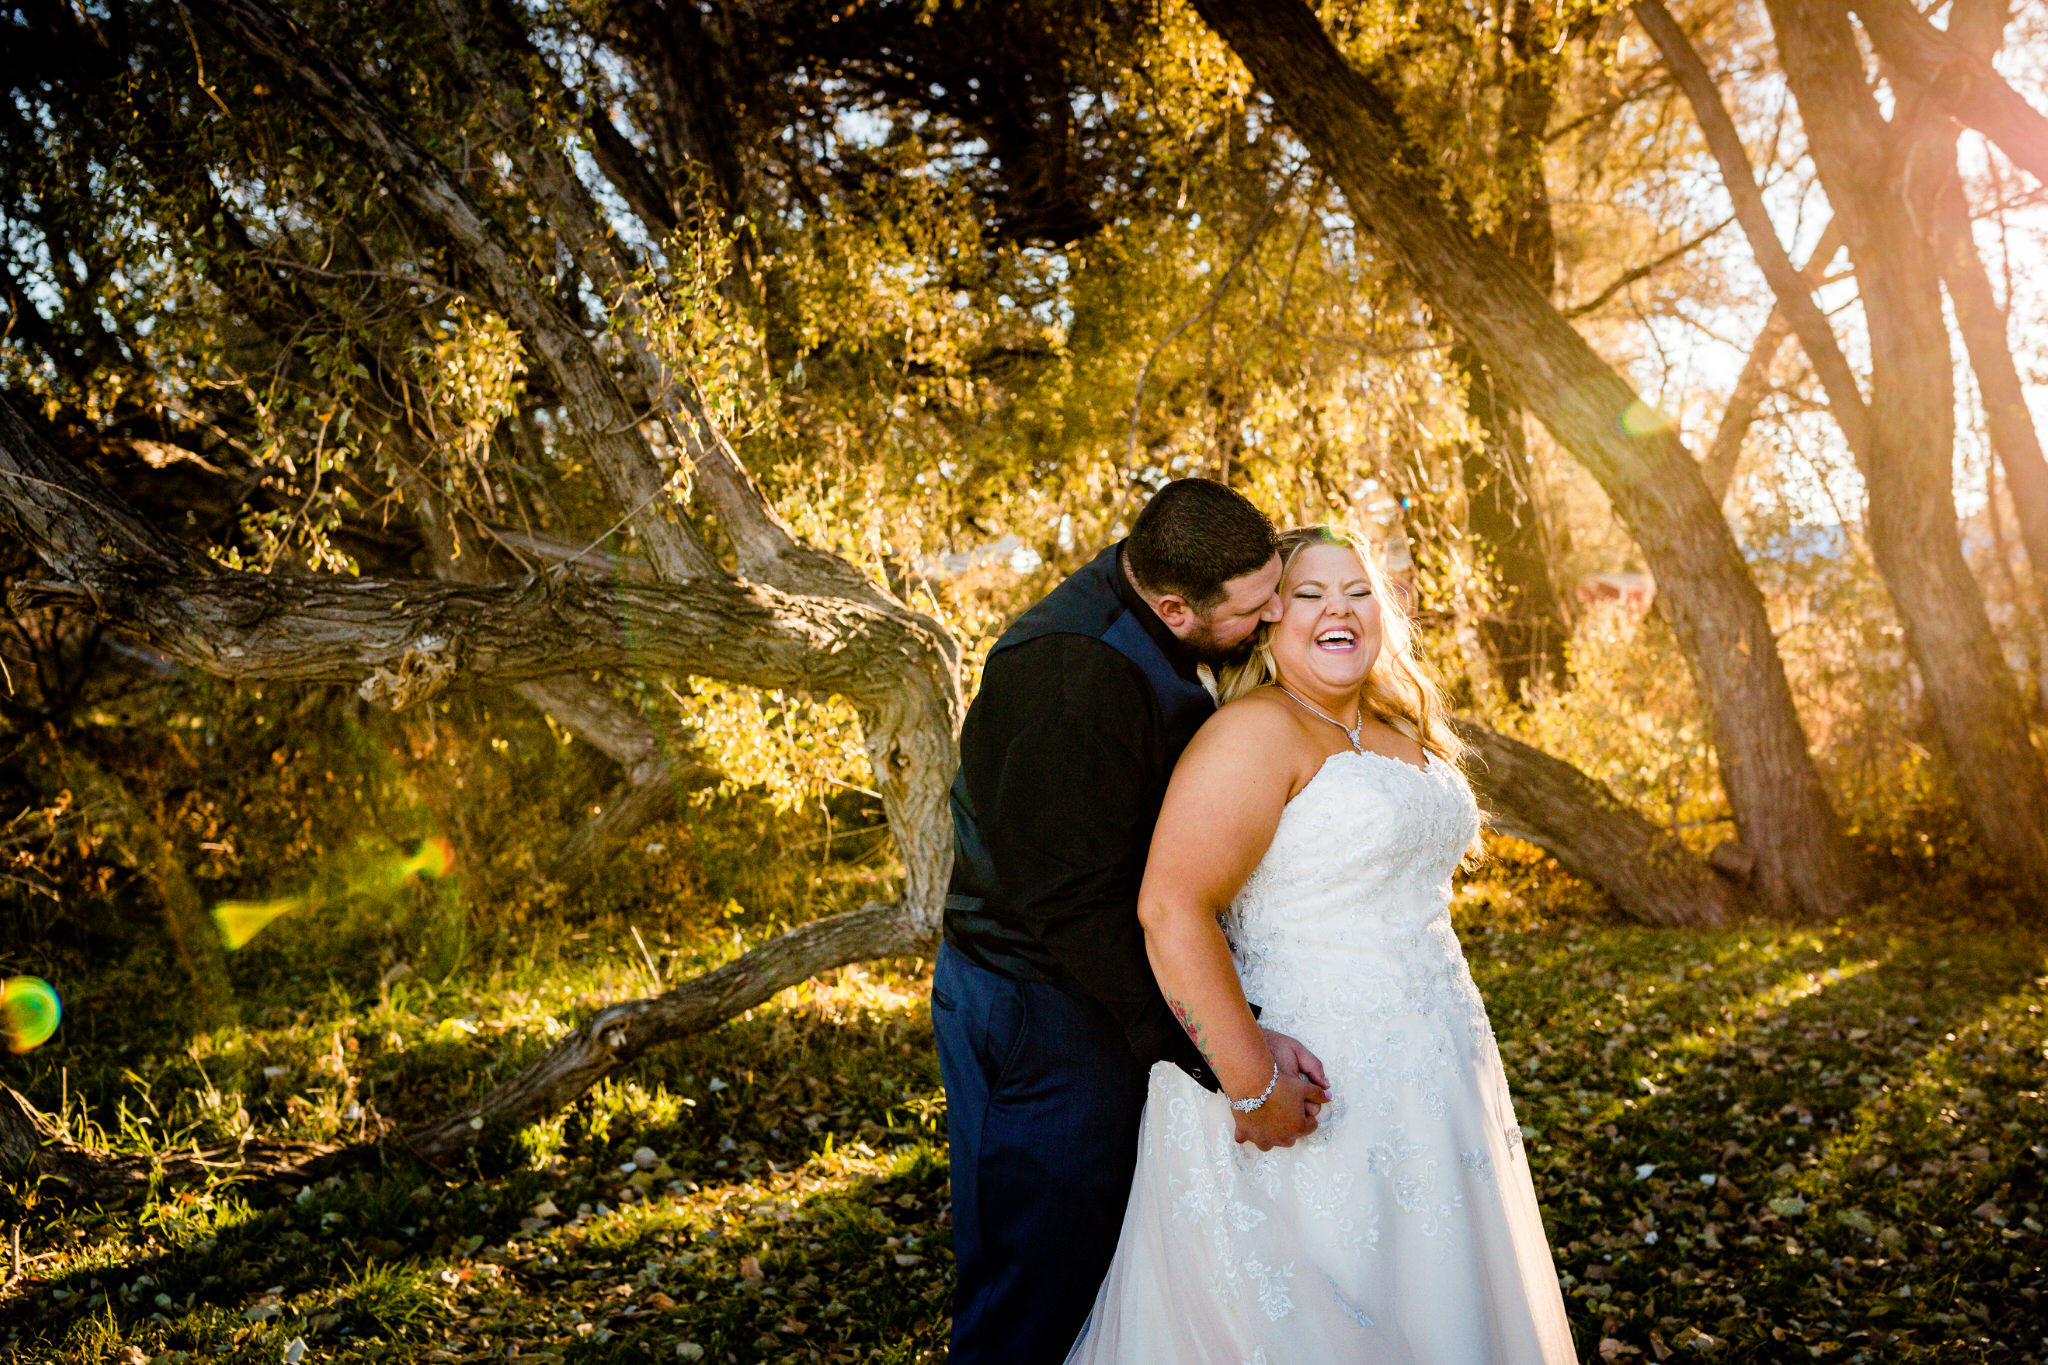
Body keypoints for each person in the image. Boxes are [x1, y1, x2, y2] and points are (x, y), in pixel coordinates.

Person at [1066, 525, 1577, 1364]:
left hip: (1435, 1077)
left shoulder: (1394, 724)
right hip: (1300, 1079)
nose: (1337, 608)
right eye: (1308, 594)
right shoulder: (1255, 732)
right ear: (1268, 619)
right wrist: (1250, 1079)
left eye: (1357, 591)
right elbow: (1171, 906)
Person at [933, 480, 1332, 1365]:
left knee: (1114, 1272)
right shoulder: (1070, 675)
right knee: (1035, 1285)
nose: (1276, 613)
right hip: (1038, 1011)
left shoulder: (1169, 609)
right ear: (1174, 606)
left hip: (1104, 983)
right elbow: (1076, 907)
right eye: (1260, 602)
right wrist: (1226, 1060)